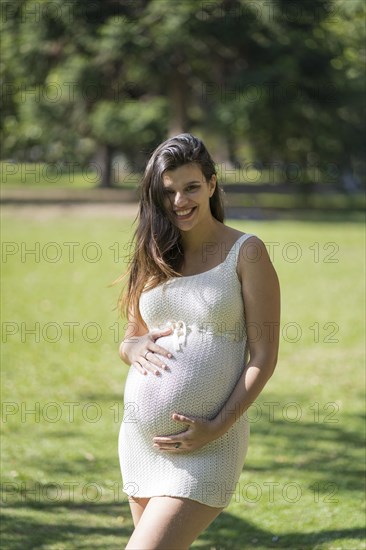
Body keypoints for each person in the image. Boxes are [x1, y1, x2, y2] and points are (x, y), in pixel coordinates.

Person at [117, 133, 280, 549]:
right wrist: (131, 348)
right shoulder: (154, 253)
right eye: (167, 192)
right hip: (141, 442)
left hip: (209, 444)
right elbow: (132, 338)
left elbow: (263, 356)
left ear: (211, 184)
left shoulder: (246, 253)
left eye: (190, 187)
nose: (179, 201)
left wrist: (216, 427)